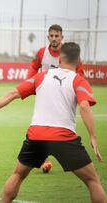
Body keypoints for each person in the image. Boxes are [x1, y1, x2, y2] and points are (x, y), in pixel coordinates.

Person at [0, 42, 107, 203]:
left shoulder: (41, 76)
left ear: (59, 58)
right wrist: (93, 136)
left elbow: (12, 93)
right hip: (63, 138)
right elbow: (85, 107)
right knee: (92, 180)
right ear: (79, 61)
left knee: (18, 175)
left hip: (36, 136)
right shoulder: (79, 81)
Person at [27, 24, 85, 171]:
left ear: (61, 37)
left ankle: (70, 154)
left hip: (64, 95)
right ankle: (44, 159)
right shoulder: (42, 52)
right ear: (48, 37)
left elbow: (80, 72)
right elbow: (34, 66)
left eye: (57, 36)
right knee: (42, 124)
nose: (54, 39)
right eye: (51, 36)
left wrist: (79, 92)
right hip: (45, 94)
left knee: (63, 124)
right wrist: (29, 83)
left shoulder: (68, 53)